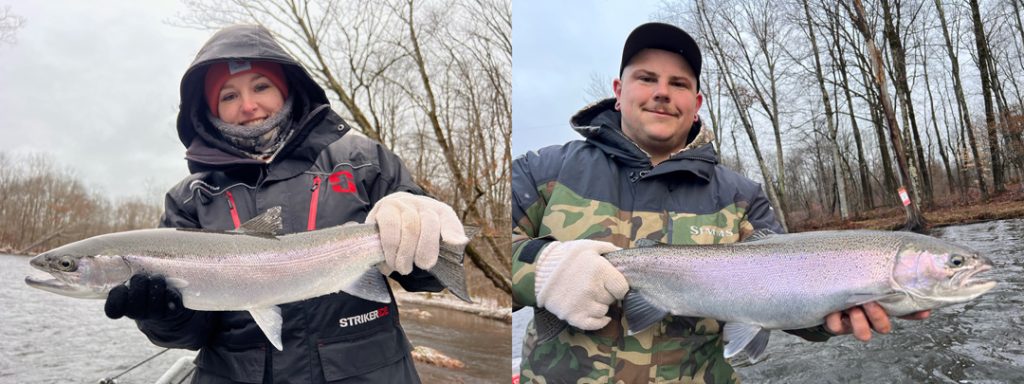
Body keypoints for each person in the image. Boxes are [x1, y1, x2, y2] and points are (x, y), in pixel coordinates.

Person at [511, 22, 929, 383]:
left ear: (696, 104)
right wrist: (542, 269)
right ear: (619, 92)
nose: (662, 93)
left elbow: (785, 294)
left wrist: (827, 320)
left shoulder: (742, 196)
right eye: (646, 78)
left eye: (679, 84)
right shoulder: (543, 171)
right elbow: (487, 256)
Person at [101, 24, 467, 383]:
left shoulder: (362, 161)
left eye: (261, 86)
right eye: (228, 96)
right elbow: (191, 336)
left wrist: (422, 222)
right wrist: (163, 316)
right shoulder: (189, 198)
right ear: (209, 110)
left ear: (288, 88)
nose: (248, 105)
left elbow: (428, 278)